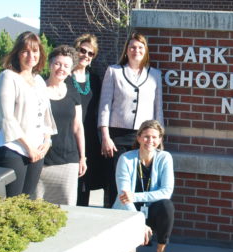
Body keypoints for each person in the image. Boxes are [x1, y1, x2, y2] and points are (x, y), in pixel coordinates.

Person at [99, 31, 164, 208]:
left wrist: (159, 138)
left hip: (144, 137)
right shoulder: (114, 71)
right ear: (126, 50)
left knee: (139, 180)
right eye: (133, 47)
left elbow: (158, 108)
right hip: (117, 136)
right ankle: (111, 215)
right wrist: (105, 136)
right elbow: (105, 105)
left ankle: (135, 218)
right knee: (116, 180)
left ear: (146, 50)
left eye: (140, 47)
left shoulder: (155, 74)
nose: (136, 50)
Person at [0, 31, 56, 197]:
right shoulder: (8, 77)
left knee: (26, 201)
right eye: (25, 51)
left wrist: (47, 142)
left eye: (35, 51)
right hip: (12, 148)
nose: (31, 56)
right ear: (17, 54)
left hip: (37, 150)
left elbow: (46, 116)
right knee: (11, 202)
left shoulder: (39, 80)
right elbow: (7, 119)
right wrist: (29, 148)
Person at [113, 120, 175, 252]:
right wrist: (139, 222)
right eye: (146, 136)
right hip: (128, 209)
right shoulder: (126, 159)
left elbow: (166, 192)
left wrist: (136, 196)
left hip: (151, 209)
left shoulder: (165, 158)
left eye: (154, 137)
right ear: (139, 137)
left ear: (160, 139)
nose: (150, 141)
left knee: (167, 206)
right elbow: (124, 197)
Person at [36, 45, 86, 205]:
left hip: (68, 160)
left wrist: (82, 157)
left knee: (67, 208)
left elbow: (78, 127)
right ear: (50, 65)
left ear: (70, 70)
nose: (61, 68)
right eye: (57, 64)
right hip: (41, 158)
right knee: (37, 208)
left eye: (66, 66)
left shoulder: (73, 92)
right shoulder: (38, 90)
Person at [71, 33, 104, 206]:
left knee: (85, 185)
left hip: (89, 137)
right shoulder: (65, 77)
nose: (86, 55)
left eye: (91, 53)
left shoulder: (96, 80)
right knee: (69, 185)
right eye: (82, 51)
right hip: (68, 136)